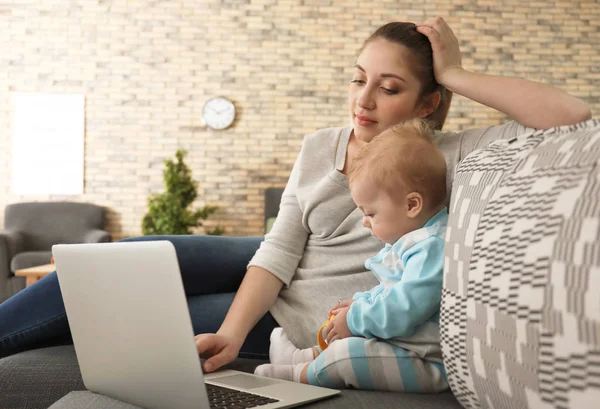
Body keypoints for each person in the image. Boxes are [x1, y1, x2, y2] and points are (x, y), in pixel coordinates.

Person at [0, 17, 590, 367]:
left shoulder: (451, 152)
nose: (363, 101)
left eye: (389, 89)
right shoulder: (318, 147)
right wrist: (234, 328)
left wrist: (456, 73)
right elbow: (279, 251)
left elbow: (572, 118)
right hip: (276, 262)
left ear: (426, 102)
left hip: (298, 319)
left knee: (133, 314)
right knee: (135, 255)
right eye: (359, 80)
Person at [253, 119, 450, 391]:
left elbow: (403, 308)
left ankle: (300, 375)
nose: (365, 222)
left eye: (370, 213)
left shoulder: (432, 247)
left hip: (424, 361)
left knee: (348, 357)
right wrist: (358, 304)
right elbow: (389, 293)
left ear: (412, 204)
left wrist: (356, 317)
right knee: (349, 338)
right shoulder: (415, 241)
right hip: (403, 346)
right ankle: (305, 357)